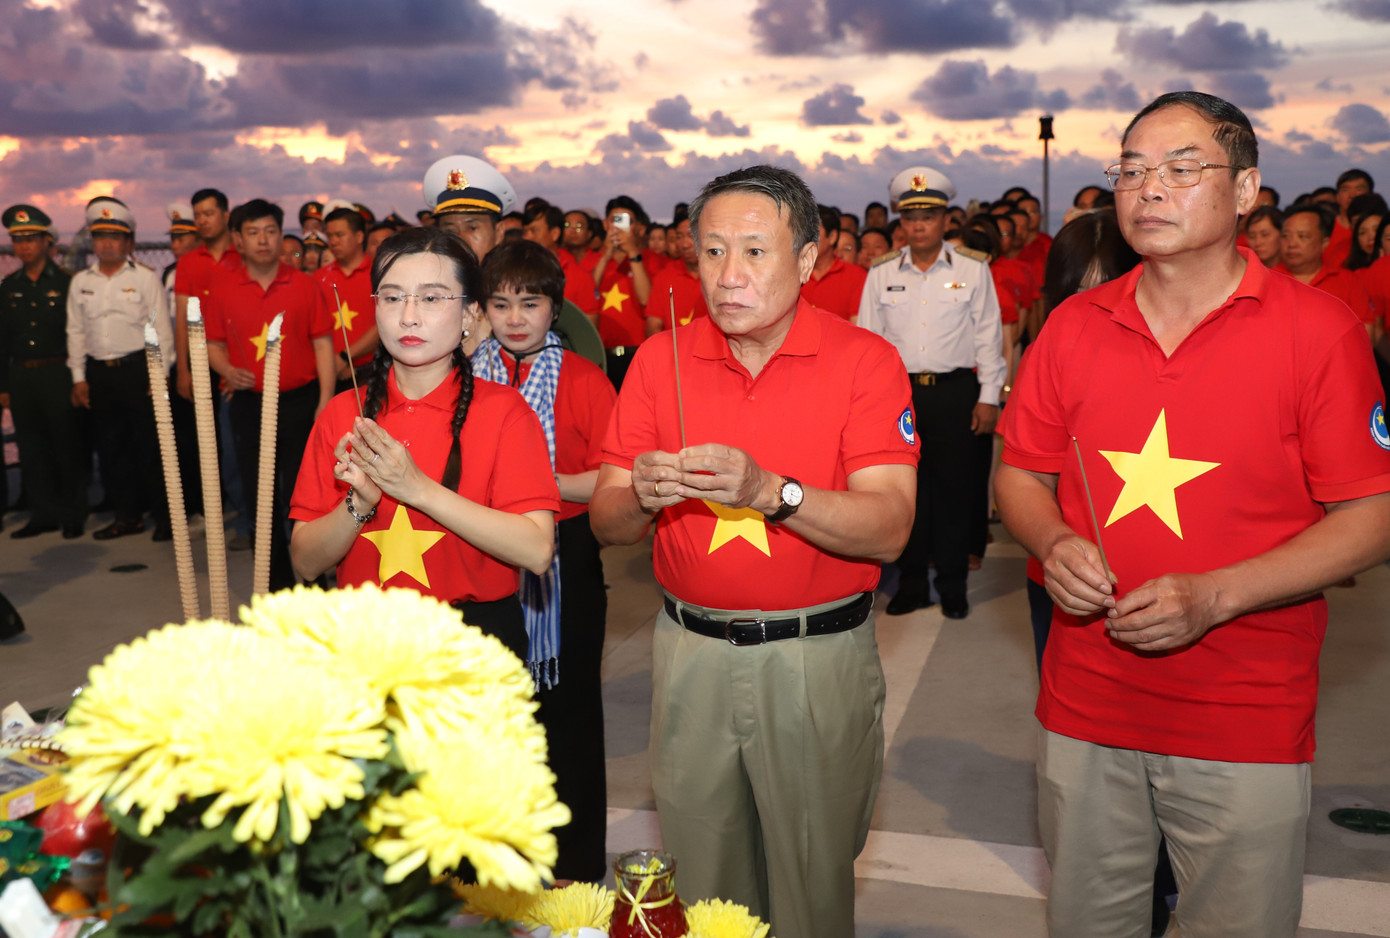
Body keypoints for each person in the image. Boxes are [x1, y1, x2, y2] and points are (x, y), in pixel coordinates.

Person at [995, 91, 1390, 938]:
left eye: (1181, 169)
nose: (1149, 190)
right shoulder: (1072, 327)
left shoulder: (1318, 331)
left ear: (1246, 191)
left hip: (1244, 709)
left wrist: (1218, 597)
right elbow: (1021, 476)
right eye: (1131, 170)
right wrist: (1053, 537)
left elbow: (1371, 515)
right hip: (1085, 702)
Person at [590, 164, 918, 938]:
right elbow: (607, 523)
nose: (729, 276)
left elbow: (890, 525)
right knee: (705, 890)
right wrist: (639, 491)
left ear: (807, 261)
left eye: (754, 252)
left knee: (811, 882)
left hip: (814, 658)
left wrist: (774, 492)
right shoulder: (656, 361)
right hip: (688, 656)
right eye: (710, 253)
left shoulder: (863, 362)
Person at [289, 227, 558, 662]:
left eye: (432, 298)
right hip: (365, 639)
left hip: (473, 642)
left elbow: (536, 550)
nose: (408, 317)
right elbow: (305, 561)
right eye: (392, 298)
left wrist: (416, 488)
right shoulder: (345, 412)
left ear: (470, 314)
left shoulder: (505, 412)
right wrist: (359, 503)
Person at [472, 238, 616, 882]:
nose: (515, 317)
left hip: (568, 556)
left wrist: (529, 486)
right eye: (500, 304)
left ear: (554, 309)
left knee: (570, 715)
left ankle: (576, 866)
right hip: (483, 554)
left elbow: (614, 480)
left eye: (530, 303)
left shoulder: (584, 379)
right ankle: (491, 863)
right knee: (490, 714)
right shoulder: (465, 374)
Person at [859, 166, 1006, 619]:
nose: (918, 225)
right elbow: (868, 340)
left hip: (955, 393)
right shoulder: (881, 274)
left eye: (929, 215)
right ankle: (912, 585)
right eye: (910, 217)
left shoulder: (972, 269)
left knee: (956, 491)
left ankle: (953, 583)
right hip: (897, 398)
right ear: (900, 222)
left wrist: (988, 395)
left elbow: (989, 336)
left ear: (947, 221)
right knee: (906, 492)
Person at [204, 199, 336, 592]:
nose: (263, 240)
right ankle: (276, 583)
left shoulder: (304, 285)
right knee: (259, 495)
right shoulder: (223, 290)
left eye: (271, 231)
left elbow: (324, 345)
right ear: (238, 241)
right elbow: (209, 343)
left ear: (281, 236)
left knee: (306, 495)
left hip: (300, 401)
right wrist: (227, 370)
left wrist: (325, 400)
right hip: (250, 405)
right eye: (253, 232)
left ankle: (313, 579)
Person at [68, 197, 174, 540]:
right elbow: (76, 331)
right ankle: (127, 517)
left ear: (128, 242)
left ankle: (165, 518)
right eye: (100, 236)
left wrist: (159, 376)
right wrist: (79, 378)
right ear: (93, 242)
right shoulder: (80, 282)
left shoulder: (145, 278)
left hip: (138, 371)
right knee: (111, 452)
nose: (107, 243)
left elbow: (161, 331)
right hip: (100, 374)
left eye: (115, 236)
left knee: (151, 449)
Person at [0, 205, 85, 539]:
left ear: (47, 242)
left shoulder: (68, 284)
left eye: (31, 239)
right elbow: (2, 342)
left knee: (66, 445)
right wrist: (3, 384)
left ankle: (73, 513)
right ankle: (42, 514)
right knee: (31, 448)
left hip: (57, 373)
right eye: (18, 240)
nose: (24, 246)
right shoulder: (7, 288)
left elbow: (78, 333)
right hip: (22, 376)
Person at [1276, 205, 1375, 332]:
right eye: (1285, 236)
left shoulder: (1348, 281)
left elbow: (1365, 333)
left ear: (1324, 243)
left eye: (1302, 236)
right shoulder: (1267, 278)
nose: (1291, 244)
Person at [592, 196, 653, 389]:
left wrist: (633, 254)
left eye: (627, 221)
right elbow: (586, 295)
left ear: (637, 227)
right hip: (600, 355)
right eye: (614, 220)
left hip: (639, 355)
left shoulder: (650, 261)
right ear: (605, 224)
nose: (619, 227)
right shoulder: (591, 260)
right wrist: (605, 257)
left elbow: (647, 300)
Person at [317, 206, 378, 394]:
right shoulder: (319, 278)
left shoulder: (378, 275)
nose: (333, 242)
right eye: (330, 236)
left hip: (370, 373)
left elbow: (384, 326)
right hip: (329, 376)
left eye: (339, 235)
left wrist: (345, 358)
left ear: (359, 237)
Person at [800, 204, 867, 321]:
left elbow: (858, 325)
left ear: (832, 237)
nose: (806, 238)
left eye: (813, 231)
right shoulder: (791, 273)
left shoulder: (856, 276)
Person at [643, 213, 706, 335]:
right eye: (679, 237)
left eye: (691, 236)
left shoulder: (721, 275)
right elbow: (653, 327)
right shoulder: (664, 276)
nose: (685, 244)